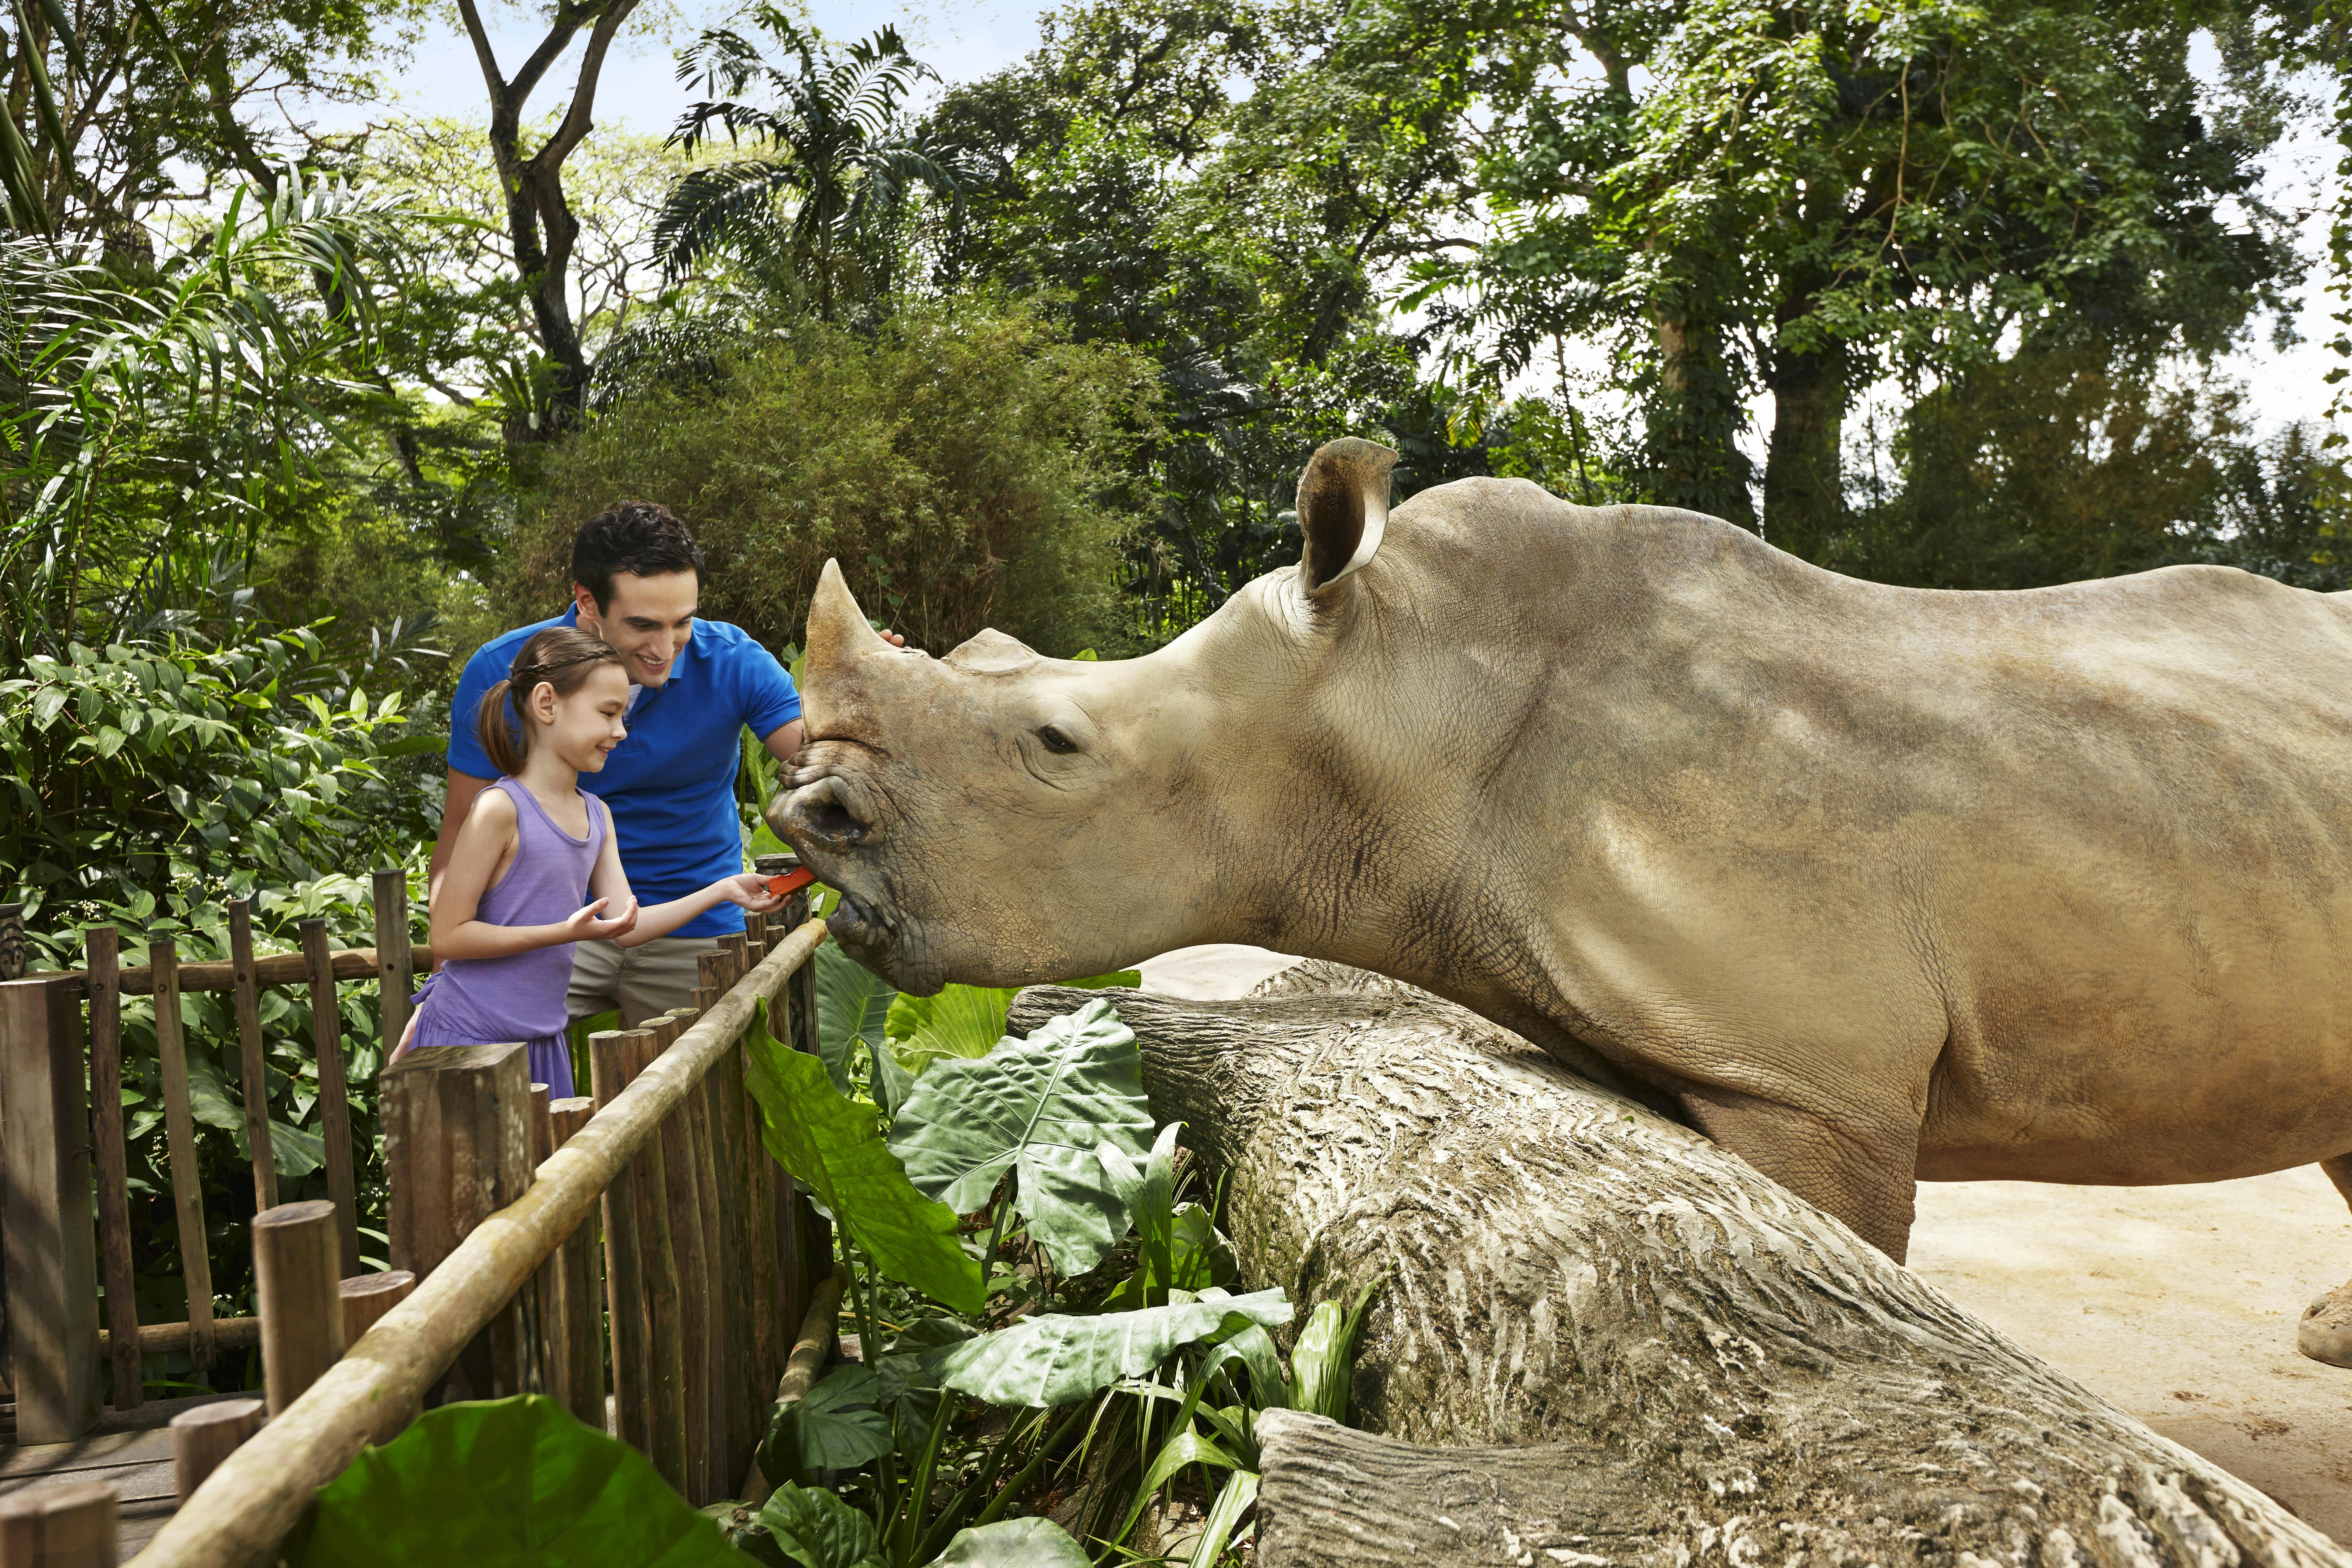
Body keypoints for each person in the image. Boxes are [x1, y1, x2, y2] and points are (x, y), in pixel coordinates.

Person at [431, 502, 858, 1030]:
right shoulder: (504, 668)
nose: (665, 648)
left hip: (697, 926)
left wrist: (864, 700)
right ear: (587, 602)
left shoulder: (733, 661)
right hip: (550, 928)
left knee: (703, 1102)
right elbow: (459, 828)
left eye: (682, 621)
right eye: (643, 625)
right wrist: (446, 973)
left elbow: (827, 767)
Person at [396, 628, 783, 1095]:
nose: (621, 731)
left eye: (624, 714)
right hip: (470, 1039)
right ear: (546, 704)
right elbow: (449, 934)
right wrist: (564, 933)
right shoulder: (498, 808)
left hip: (542, 1042)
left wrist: (722, 890)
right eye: (608, 713)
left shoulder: (597, 815)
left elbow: (627, 924)